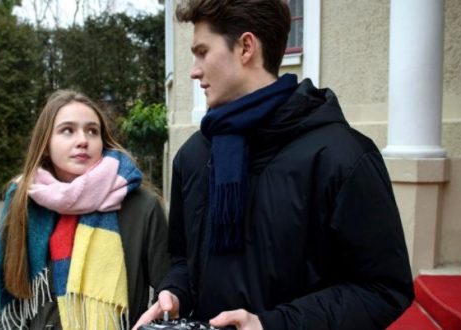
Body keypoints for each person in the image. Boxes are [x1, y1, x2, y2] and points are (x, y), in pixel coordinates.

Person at [133, 0, 414, 329]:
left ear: (246, 47)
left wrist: (272, 325)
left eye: (202, 52)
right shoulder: (193, 156)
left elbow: (382, 289)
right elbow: (183, 261)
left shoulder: (343, 156)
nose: (194, 70)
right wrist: (174, 293)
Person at [0, 90, 170, 329]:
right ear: (45, 145)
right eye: (68, 130)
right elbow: (9, 290)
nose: (83, 140)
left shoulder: (142, 206)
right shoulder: (24, 201)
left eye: (92, 131)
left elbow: (168, 292)